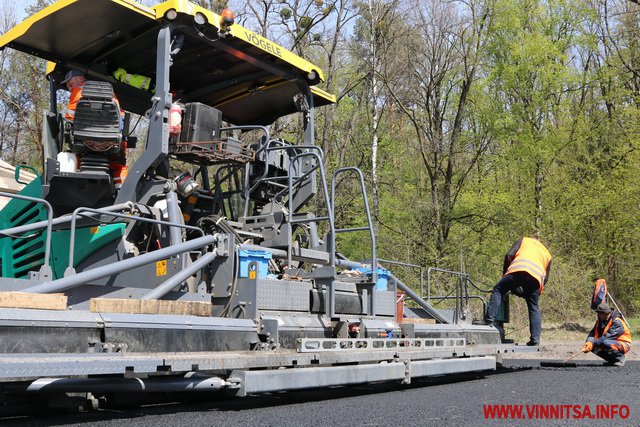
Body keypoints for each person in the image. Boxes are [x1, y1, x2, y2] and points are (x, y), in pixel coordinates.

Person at [61, 69, 128, 187]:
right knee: (117, 166)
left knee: (74, 159)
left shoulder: (77, 93)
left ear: (82, 81)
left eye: (71, 85)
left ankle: (78, 185)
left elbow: (69, 117)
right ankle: (122, 190)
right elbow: (121, 119)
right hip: (111, 143)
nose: (70, 88)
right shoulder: (111, 95)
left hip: (85, 143)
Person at [485, 236, 552, 346]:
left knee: (498, 289)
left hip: (518, 270)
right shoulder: (547, 253)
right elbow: (546, 278)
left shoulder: (525, 240)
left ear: (532, 238)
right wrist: (532, 293)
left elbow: (509, 255)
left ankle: (489, 320)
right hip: (536, 278)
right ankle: (535, 339)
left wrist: (504, 274)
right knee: (533, 307)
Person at [582, 302, 632, 367]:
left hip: (623, 343)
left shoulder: (617, 321)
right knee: (593, 347)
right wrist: (589, 343)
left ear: (606, 313)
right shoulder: (600, 321)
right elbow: (592, 333)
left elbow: (607, 337)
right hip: (608, 341)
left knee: (605, 343)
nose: (598, 315)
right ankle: (612, 361)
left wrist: (593, 343)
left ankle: (620, 359)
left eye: (599, 313)